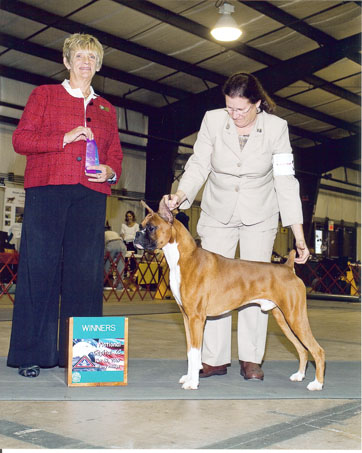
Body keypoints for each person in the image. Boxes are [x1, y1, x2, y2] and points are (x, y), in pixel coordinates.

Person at [163, 72, 310, 382]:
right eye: (230, 108)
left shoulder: (276, 128)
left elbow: (285, 180)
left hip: (260, 215)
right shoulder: (213, 121)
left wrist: (298, 234)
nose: (235, 115)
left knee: (256, 286)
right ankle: (213, 359)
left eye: (242, 109)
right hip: (218, 213)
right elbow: (199, 163)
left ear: (258, 103)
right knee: (212, 286)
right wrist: (180, 194)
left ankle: (250, 359)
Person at [7, 33, 123, 377]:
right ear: (67, 61)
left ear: (98, 65)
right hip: (48, 189)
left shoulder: (107, 108)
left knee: (86, 275)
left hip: (90, 194)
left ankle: (91, 362)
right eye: (79, 57)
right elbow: (20, 140)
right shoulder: (43, 95)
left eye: (92, 58)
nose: (85, 63)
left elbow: (115, 153)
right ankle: (31, 354)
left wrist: (110, 171)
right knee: (38, 269)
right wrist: (64, 138)